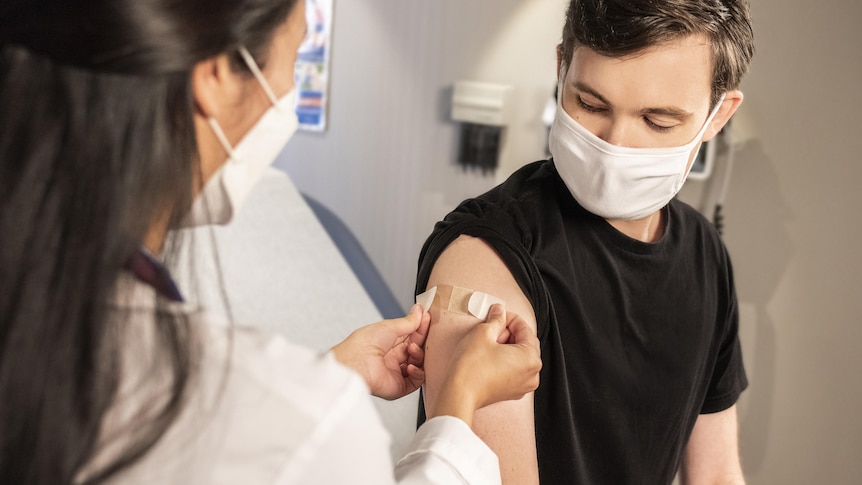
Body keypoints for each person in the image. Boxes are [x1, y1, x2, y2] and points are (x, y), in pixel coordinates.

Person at [0, 1, 542, 484]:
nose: (289, 89)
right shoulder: (307, 424)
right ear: (214, 74)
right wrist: (454, 413)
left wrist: (330, 374)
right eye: (299, 57)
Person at [416, 0, 755, 483]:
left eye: (657, 121)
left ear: (718, 115)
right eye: (591, 104)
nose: (614, 143)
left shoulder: (706, 256)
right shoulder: (487, 252)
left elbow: (718, 474)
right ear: (562, 68)